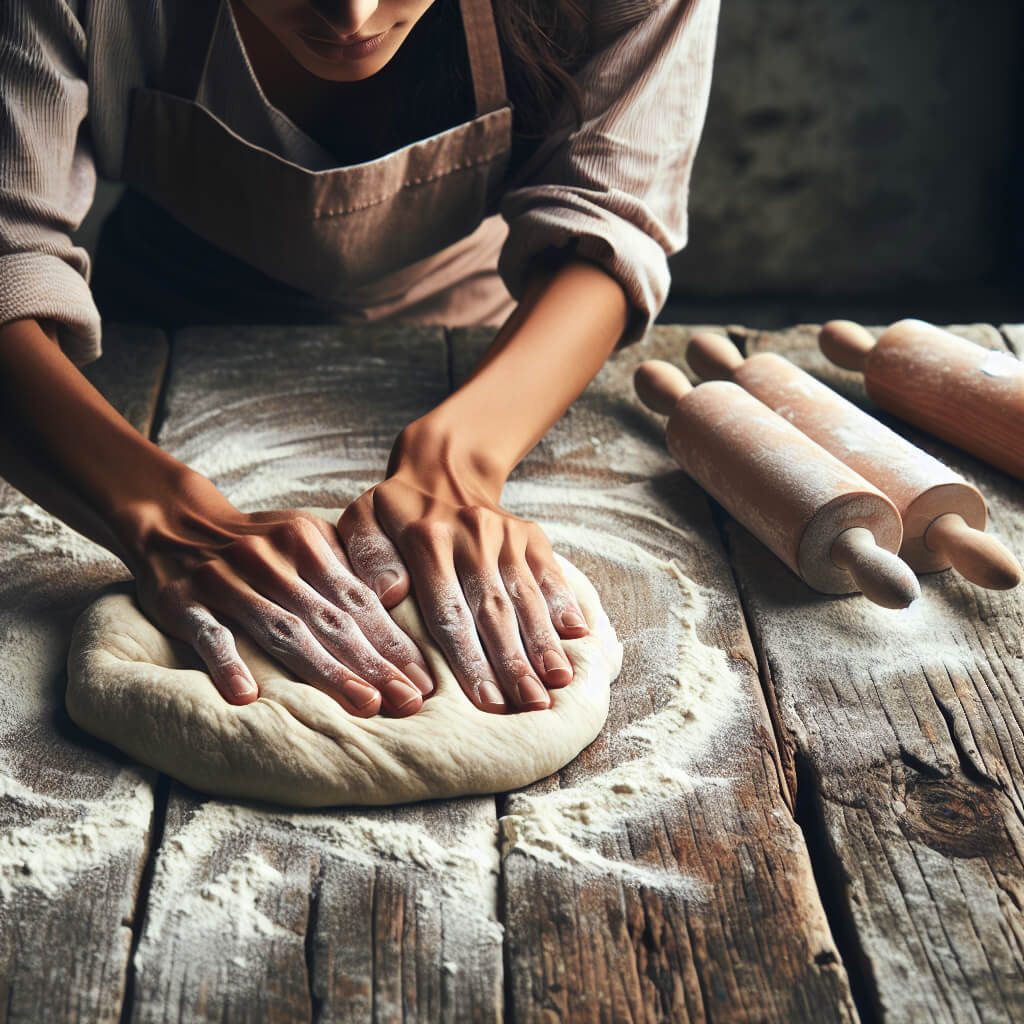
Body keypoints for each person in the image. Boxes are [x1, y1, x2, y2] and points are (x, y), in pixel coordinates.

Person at [0, 0, 718, 720]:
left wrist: (462, 457)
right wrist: (155, 510)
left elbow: (609, 210)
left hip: (480, 331)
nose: (352, 15)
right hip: (145, 335)